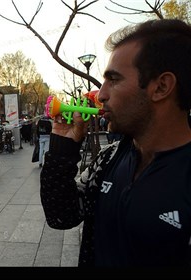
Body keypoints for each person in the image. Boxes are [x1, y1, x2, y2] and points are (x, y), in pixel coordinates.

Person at [40, 19, 191, 266]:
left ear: (161, 86)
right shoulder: (109, 157)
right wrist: (63, 149)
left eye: (114, 79)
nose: (101, 95)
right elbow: (61, 216)